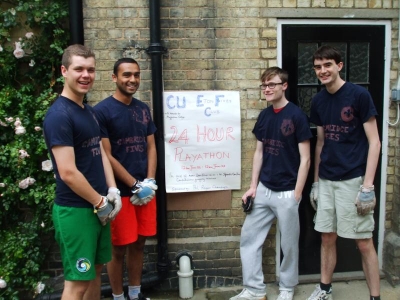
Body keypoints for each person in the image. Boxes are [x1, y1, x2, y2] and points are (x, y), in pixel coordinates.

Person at [43, 44, 122, 300]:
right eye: (79, 69)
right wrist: (100, 202)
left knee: (94, 274)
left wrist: (112, 190)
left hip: (98, 208)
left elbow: (100, 151)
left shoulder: (88, 111)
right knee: (78, 283)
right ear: (64, 71)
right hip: (76, 212)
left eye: (90, 69)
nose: (85, 75)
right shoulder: (59, 115)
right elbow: (67, 172)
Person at [230, 67, 312, 300]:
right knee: (249, 239)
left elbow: (305, 159)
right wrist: (253, 186)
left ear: (284, 86)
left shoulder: (296, 116)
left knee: (289, 245)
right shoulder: (265, 116)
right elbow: (259, 152)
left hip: (288, 191)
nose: (267, 89)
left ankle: (287, 287)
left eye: (271, 84)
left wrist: (297, 192)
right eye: (264, 85)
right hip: (264, 189)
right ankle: (255, 290)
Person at [307, 45, 381, 300]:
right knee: (327, 236)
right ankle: (325, 289)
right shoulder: (318, 100)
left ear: (339, 65)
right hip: (327, 179)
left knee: (363, 241)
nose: (322, 71)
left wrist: (368, 187)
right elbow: (320, 142)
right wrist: (316, 182)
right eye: (317, 67)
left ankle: (375, 297)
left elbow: (375, 142)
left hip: (354, 180)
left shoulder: (359, 96)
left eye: (327, 65)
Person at [94, 57, 157, 300]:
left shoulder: (142, 108)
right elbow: (106, 155)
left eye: (136, 75)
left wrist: (149, 181)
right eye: (127, 75)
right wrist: (134, 184)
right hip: (120, 192)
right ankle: (118, 296)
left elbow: (150, 146)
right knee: (118, 247)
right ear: (114, 78)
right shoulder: (101, 111)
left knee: (140, 243)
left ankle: (135, 293)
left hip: (145, 190)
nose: (132, 80)